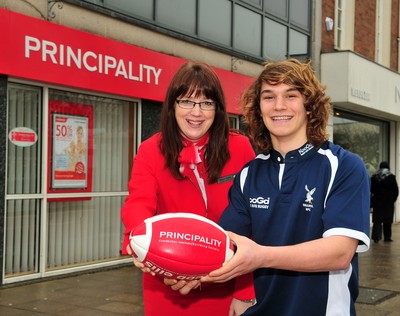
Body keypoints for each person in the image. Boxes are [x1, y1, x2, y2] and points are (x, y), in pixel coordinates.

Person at [201, 59, 371, 315]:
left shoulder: (344, 166)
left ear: (309, 106)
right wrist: (183, 271)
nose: (279, 106)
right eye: (269, 97)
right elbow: (225, 245)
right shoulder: (250, 173)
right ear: (259, 108)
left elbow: (339, 253)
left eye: (291, 95)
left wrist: (261, 256)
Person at [121, 61, 256, 315]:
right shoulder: (151, 150)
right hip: (167, 282)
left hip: (226, 281)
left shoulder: (239, 147)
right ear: (173, 105)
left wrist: (245, 293)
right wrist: (136, 239)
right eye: (187, 101)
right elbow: (139, 201)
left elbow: (251, 224)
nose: (197, 112)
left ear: (218, 109)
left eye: (206, 103)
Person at [370, 161, 399, 243]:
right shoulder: (391, 177)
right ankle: (387, 237)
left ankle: (376, 237)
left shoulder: (374, 177)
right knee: (387, 220)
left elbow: (371, 189)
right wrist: (393, 199)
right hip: (388, 202)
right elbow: (396, 190)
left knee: (377, 220)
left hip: (377, 201)